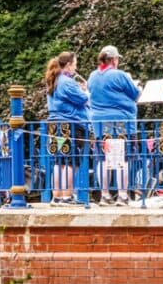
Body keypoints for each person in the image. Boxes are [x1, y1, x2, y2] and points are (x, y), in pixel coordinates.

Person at [88, 44, 140, 206]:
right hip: (121, 122)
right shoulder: (120, 75)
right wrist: (136, 84)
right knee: (122, 159)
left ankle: (104, 195)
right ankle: (123, 195)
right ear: (114, 60)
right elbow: (136, 94)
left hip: (99, 123)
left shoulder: (92, 76)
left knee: (103, 160)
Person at [45, 51, 90, 205]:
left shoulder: (54, 80)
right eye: (75, 64)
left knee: (58, 161)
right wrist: (85, 90)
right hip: (70, 124)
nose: (75, 68)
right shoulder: (67, 81)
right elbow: (83, 99)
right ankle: (68, 196)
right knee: (71, 161)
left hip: (54, 124)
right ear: (69, 65)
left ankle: (56, 197)